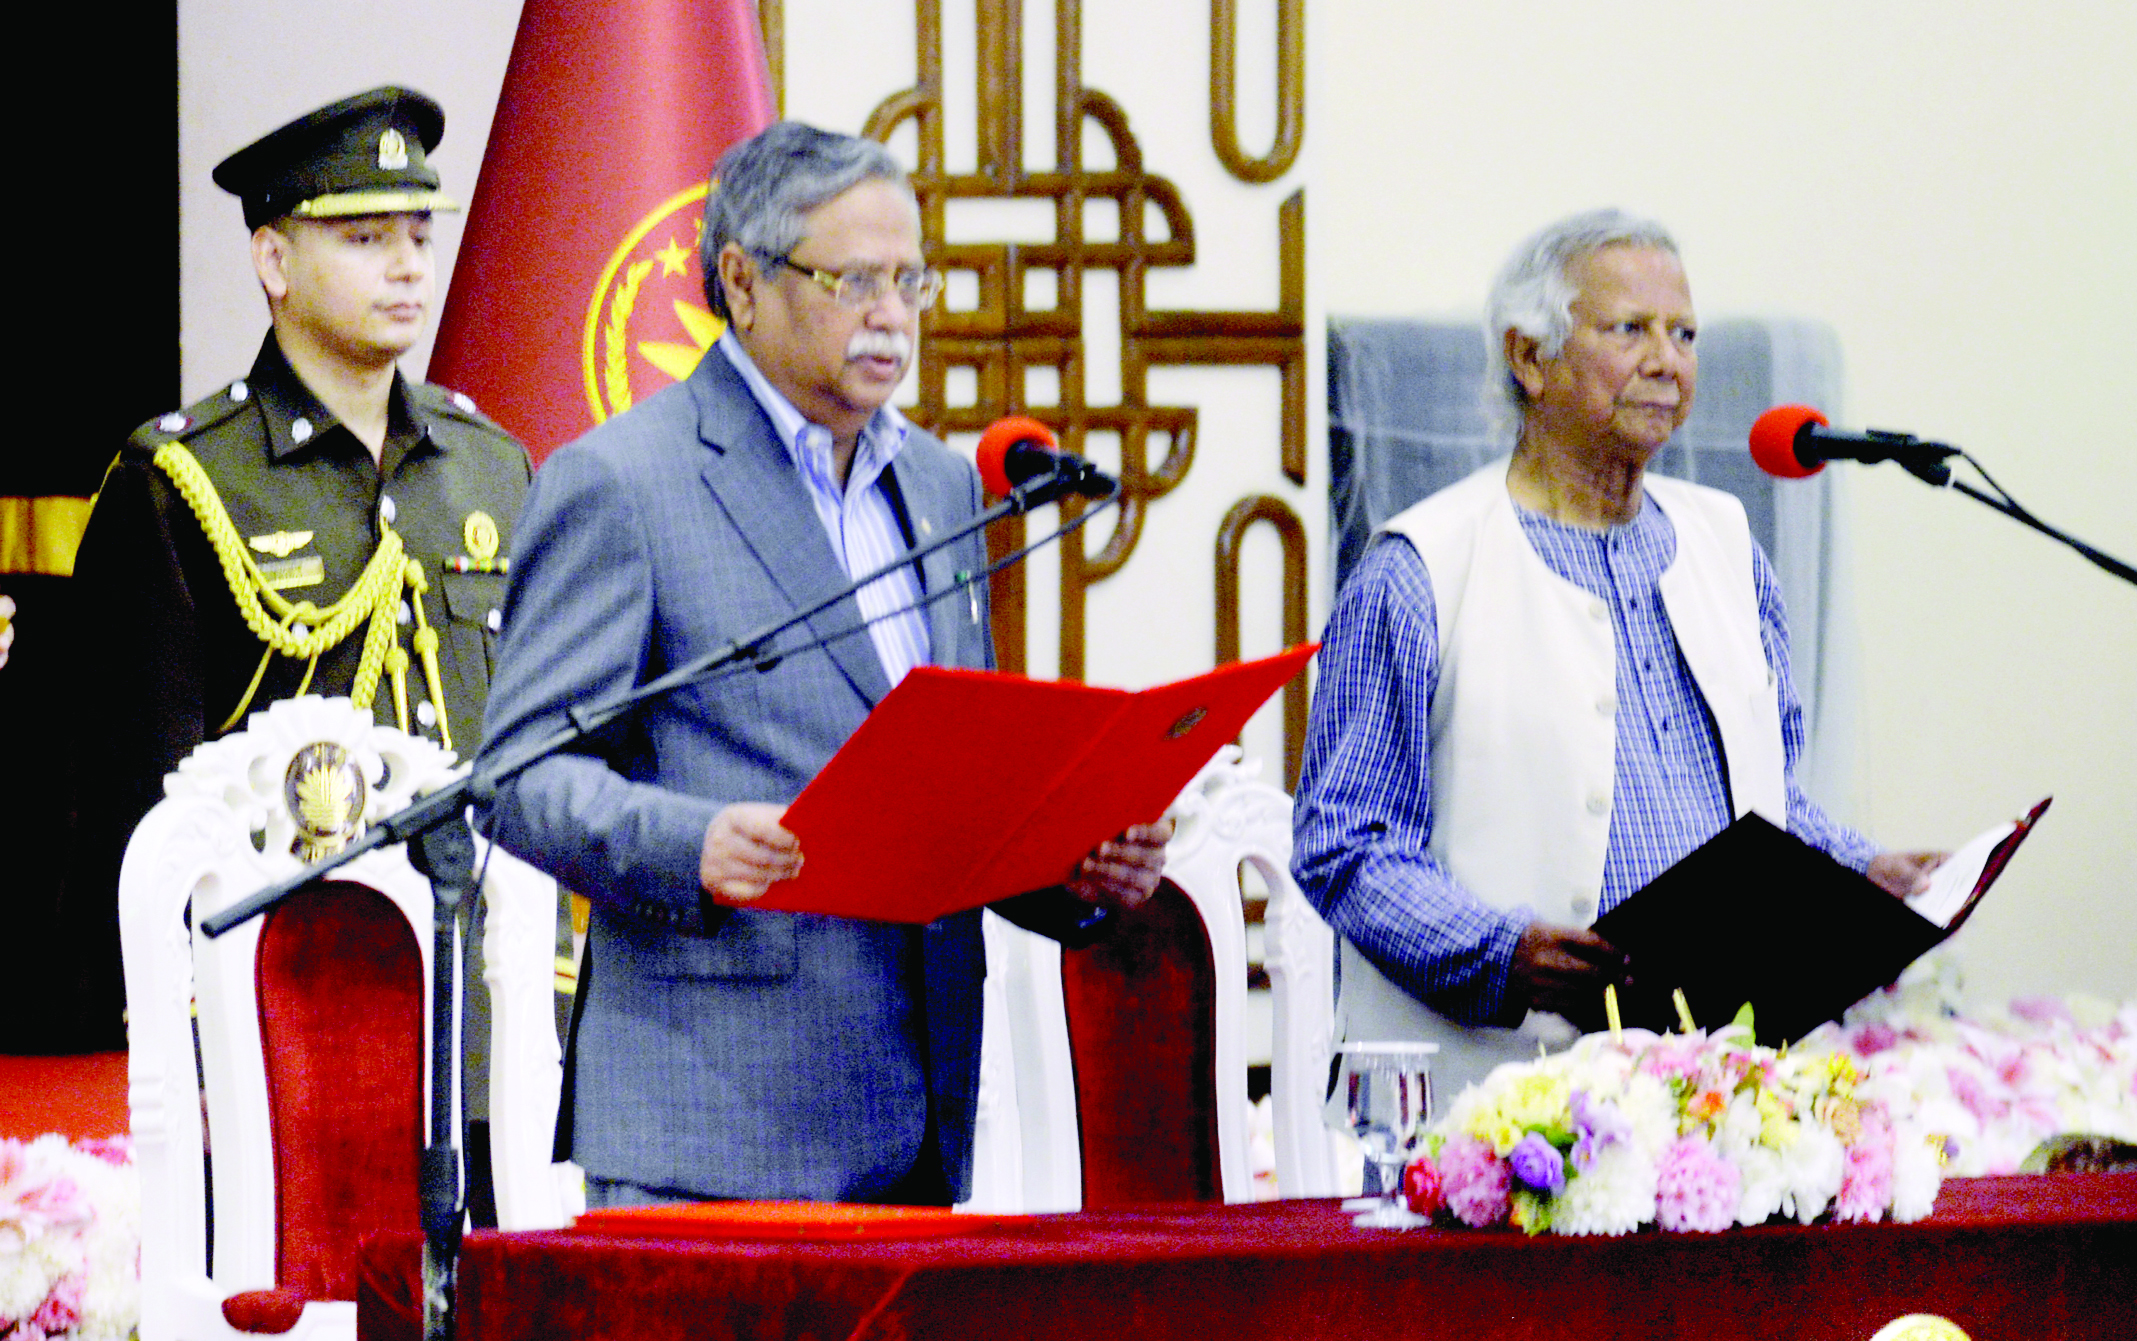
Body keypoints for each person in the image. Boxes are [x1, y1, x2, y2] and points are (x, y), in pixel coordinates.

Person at [478, 121, 1170, 1208]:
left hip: (914, 1118)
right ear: (743, 282)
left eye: (910, 281)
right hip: (712, 1132)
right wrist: (693, 843)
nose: (891, 315)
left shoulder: (940, 487)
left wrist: (1070, 867)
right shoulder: (624, 483)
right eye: (853, 281)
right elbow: (516, 779)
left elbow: (949, 795)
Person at [1291, 209, 1944, 1098]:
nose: (1667, 361)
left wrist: (1860, 872)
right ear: (1530, 357)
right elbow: (1345, 842)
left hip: (1715, 1091)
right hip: (1491, 1107)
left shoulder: (1726, 545)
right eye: (1630, 329)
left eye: (1684, 334)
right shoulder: (1421, 568)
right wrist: (1501, 954)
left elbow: (1767, 792)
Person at [49, 87, 531, 1093]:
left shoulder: (490, 466)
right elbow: (139, 805)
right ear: (273, 261)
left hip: (485, 1014)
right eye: (364, 238)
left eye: (418, 235)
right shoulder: (186, 479)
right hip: (283, 1027)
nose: (408, 266)